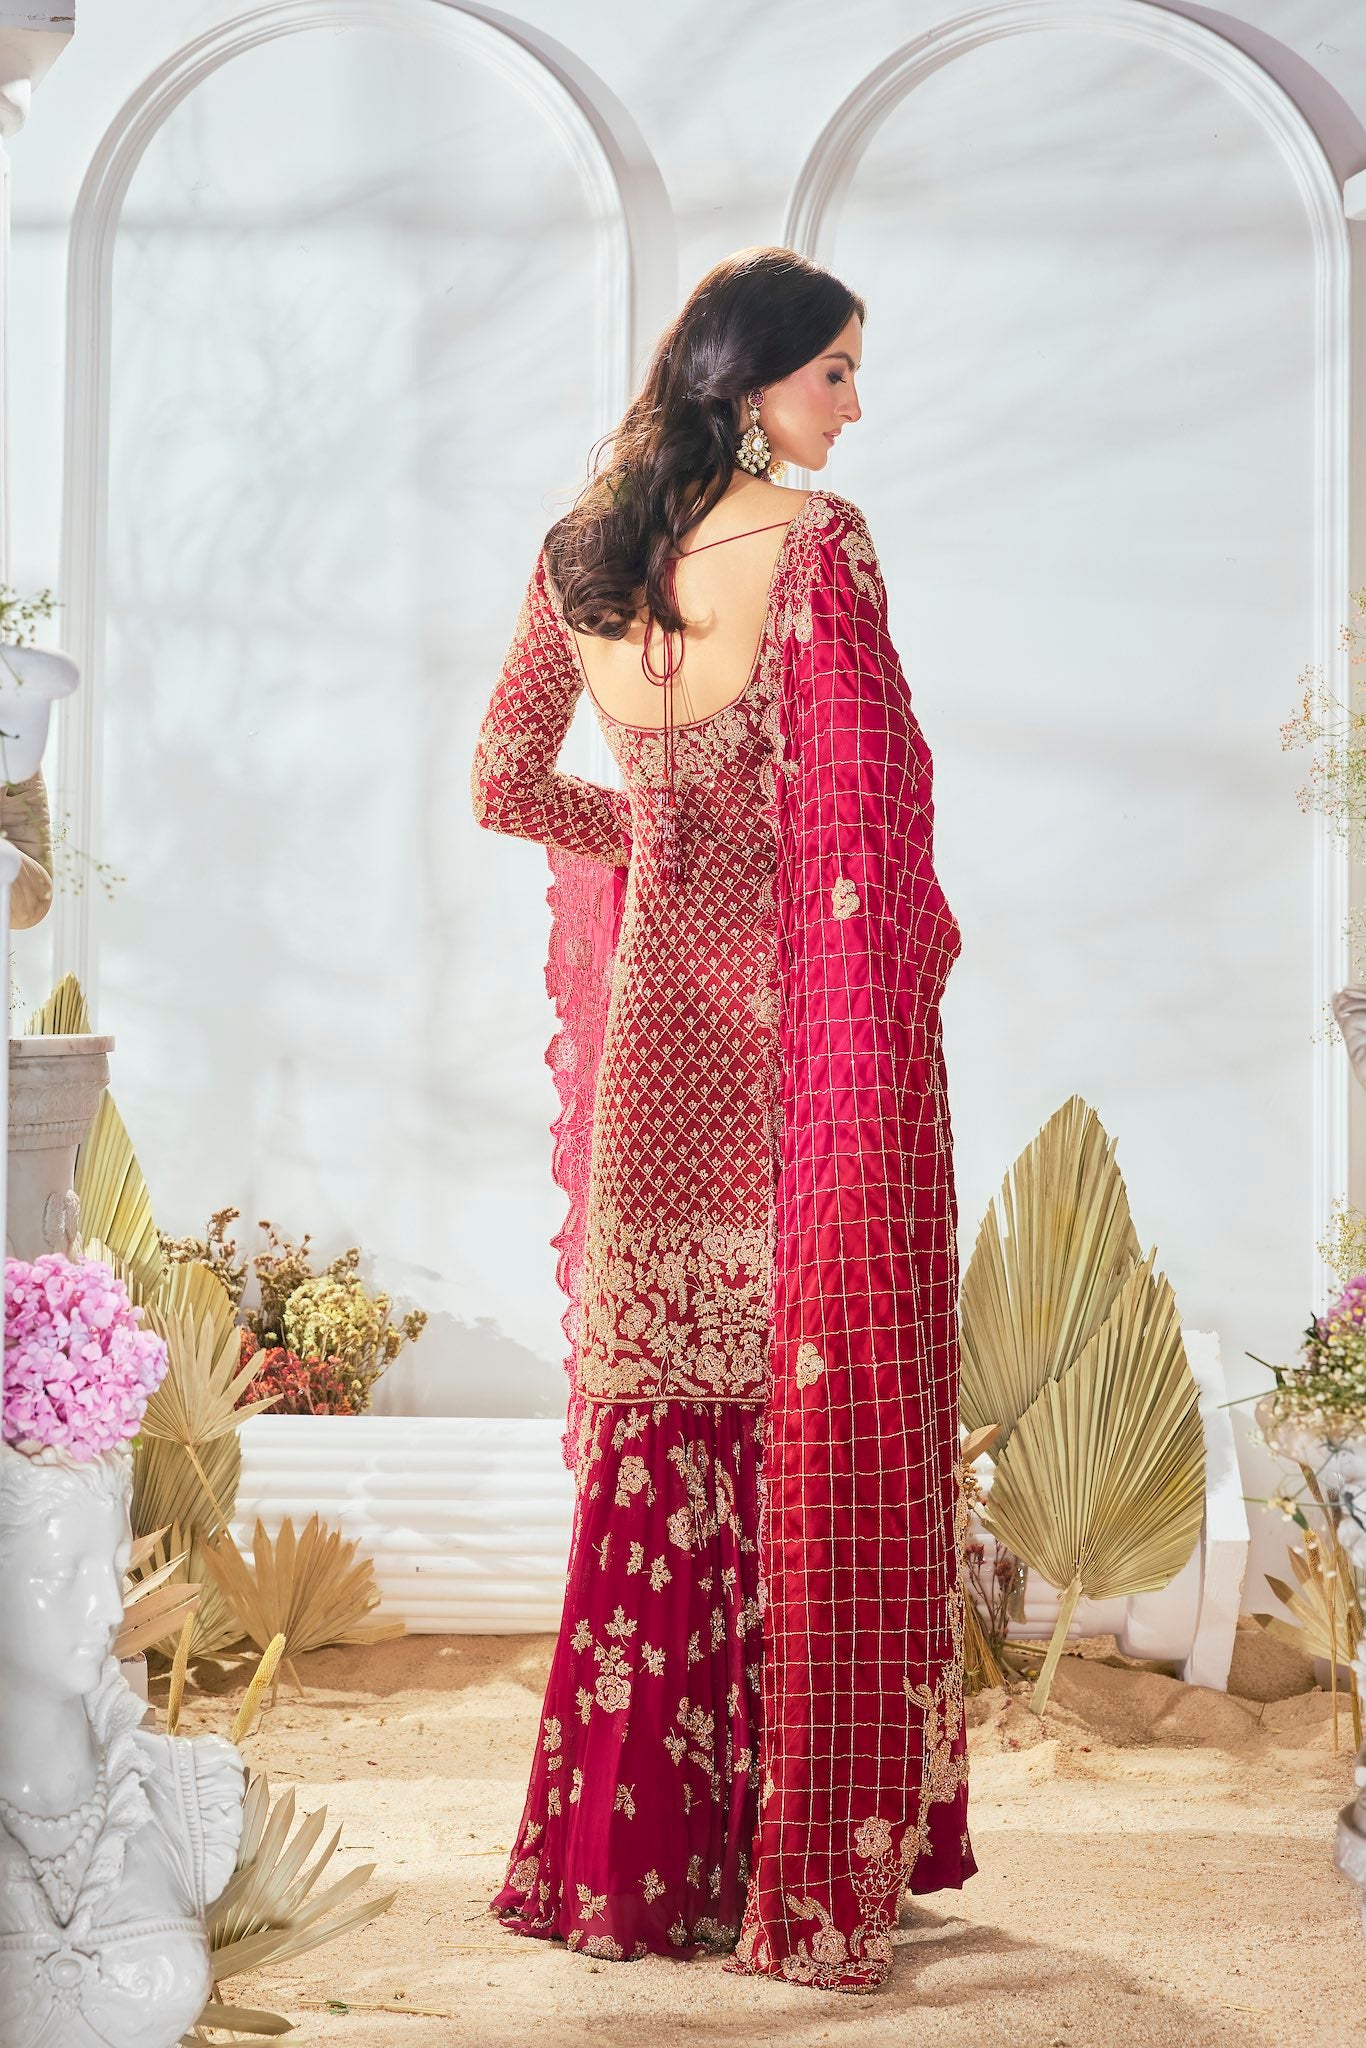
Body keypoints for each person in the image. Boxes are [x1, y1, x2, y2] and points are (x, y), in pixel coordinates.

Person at [469, 245, 975, 1992]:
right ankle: (792, 1852)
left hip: (650, 1054)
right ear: (750, 381)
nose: (854, 404)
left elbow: (502, 782)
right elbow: (869, 811)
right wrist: (867, 948)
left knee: (660, 1422)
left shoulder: (579, 551)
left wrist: (651, 836)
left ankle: (632, 1868)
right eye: (834, 371)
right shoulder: (815, 547)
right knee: (799, 1420)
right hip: (788, 1048)